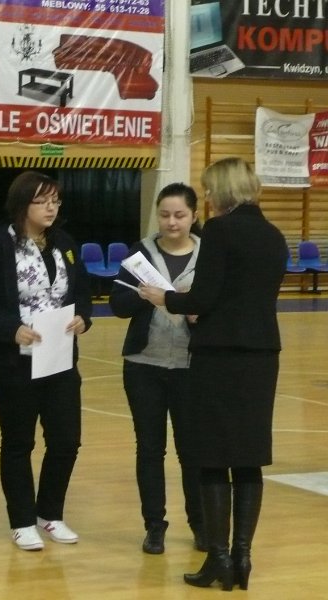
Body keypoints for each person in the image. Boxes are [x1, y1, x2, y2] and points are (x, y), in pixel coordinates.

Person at [139, 158, 287, 591]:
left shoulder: (220, 230)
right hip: (262, 356)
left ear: (223, 190)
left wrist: (165, 297)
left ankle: (218, 558)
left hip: (220, 357)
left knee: (212, 457)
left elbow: (203, 298)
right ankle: (243, 558)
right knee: (248, 458)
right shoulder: (274, 235)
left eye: (208, 189)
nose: (205, 196)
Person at [0, 171, 92, 551]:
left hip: (58, 357)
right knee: (18, 442)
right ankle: (22, 520)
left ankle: (50, 514)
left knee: (66, 440)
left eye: (55, 201)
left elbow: (82, 293)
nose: (51, 208)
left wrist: (83, 317)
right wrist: (11, 329)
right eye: (42, 201)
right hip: (13, 361)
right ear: (23, 204)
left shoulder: (65, 244)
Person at [109, 183, 204, 555]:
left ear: (194, 216)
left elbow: (221, 306)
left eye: (179, 215)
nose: (171, 222)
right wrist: (143, 295)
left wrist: (196, 312)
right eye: (164, 215)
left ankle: (200, 525)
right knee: (150, 449)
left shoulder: (208, 254)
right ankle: (154, 526)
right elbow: (117, 305)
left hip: (191, 366)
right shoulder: (140, 253)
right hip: (143, 365)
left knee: (192, 451)